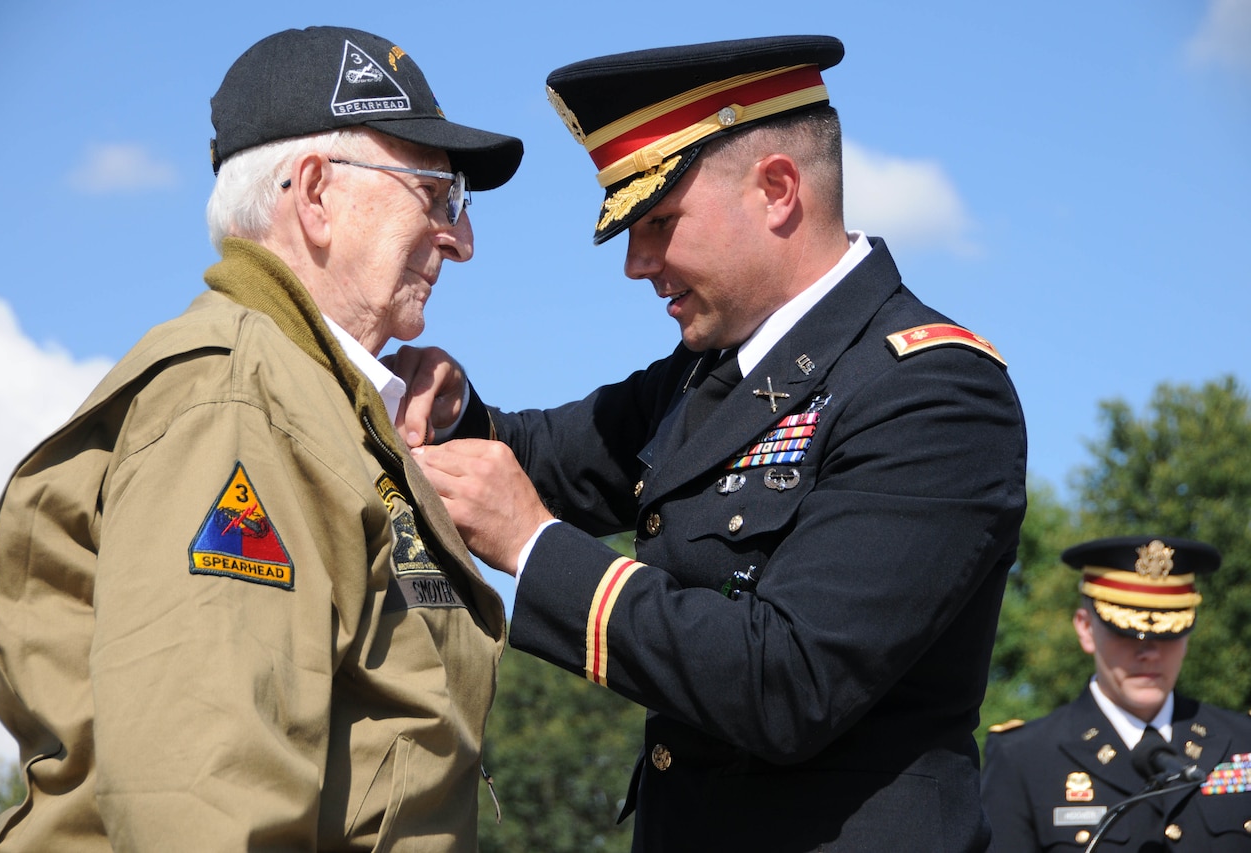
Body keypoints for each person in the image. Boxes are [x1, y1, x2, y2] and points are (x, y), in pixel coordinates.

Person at [402, 35, 1028, 851]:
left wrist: (532, 546)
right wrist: (450, 410)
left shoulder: (935, 392)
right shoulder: (708, 374)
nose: (637, 263)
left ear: (776, 189)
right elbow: (546, 458)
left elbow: (788, 683)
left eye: (659, 221)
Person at [0, 26, 522, 851]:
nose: (460, 238)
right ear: (314, 194)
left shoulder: (300, 403)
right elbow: (200, 798)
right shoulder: (238, 403)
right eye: (435, 194)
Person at [981, 535, 1251, 851]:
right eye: (1126, 632)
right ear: (1085, 628)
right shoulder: (1024, 757)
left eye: (1167, 633)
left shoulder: (1243, 742)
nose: (1149, 653)